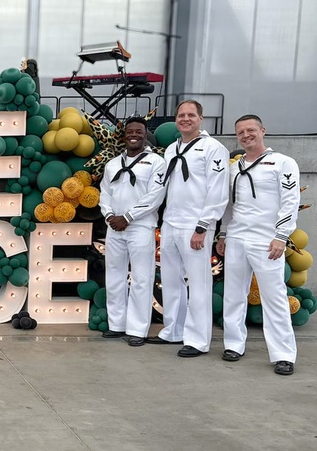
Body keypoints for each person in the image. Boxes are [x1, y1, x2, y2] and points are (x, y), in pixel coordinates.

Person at [136, 100, 229, 357]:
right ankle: (173, 331)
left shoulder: (213, 148)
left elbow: (219, 191)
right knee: (170, 280)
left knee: (198, 283)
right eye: (181, 115)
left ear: (201, 118)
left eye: (191, 115)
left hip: (195, 225)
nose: (185, 119)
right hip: (171, 222)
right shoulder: (171, 149)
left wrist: (203, 226)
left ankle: (198, 340)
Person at [216, 115, 300, 375]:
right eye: (240, 132)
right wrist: (223, 234)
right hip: (238, 238)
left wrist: (281, 236)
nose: (246, 135)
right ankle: (233, 344)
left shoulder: (283, 163)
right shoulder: (234, 168)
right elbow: (229, 206)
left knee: (273, 297)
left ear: (263, 130)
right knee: (233, 294)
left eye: (251, 130)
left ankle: (283, 354)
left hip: (267, 241)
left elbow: (290, 201)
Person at [98, 117, 165, 346]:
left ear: (145, 135)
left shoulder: (156, 162)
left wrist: (128, 217)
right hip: (114, 226)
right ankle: (117, 324)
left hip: (140, 226)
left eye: (138, 131)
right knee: (114, 276)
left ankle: (137, 330)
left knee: (141, 278)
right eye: (130, 131)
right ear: (124, 135)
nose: (133, 134)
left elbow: (155, 196)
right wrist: (109, 215)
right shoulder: (113, 164)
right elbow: (104, 193)